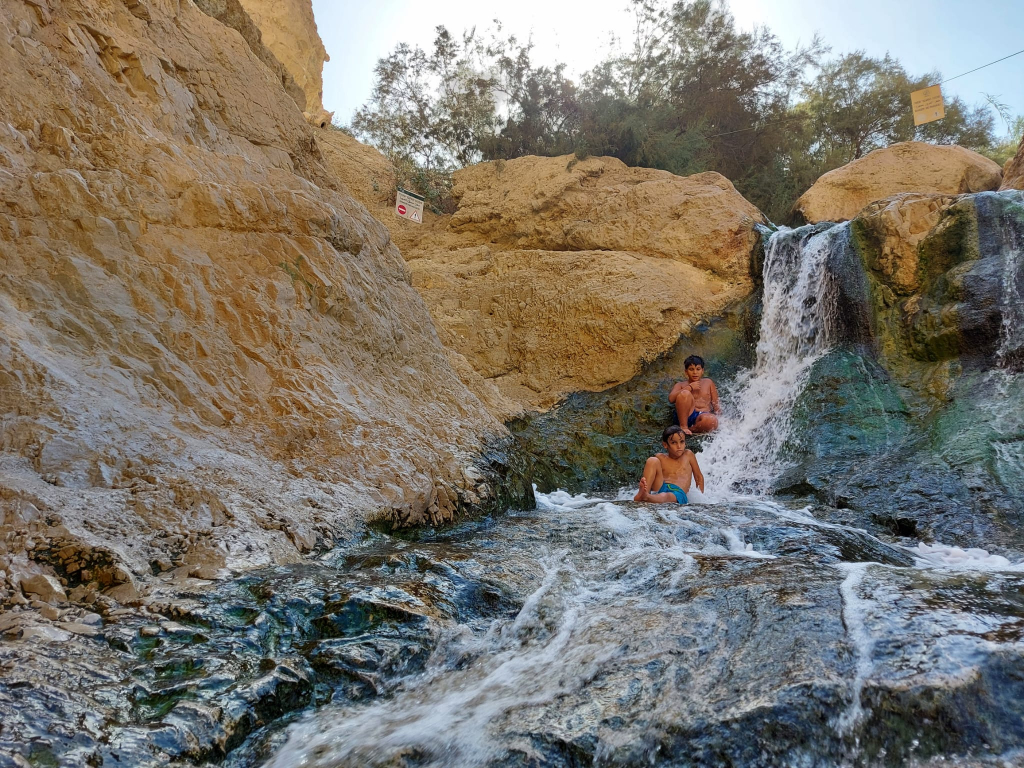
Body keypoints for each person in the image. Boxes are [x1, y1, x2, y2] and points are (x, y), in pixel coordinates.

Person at [634, 425, 705, 504]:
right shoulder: (660, 457)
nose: (679, 446)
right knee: (652, 460)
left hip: (678, 492)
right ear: (665, 445)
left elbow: (698, 477)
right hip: (661, 487)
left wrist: (700, 498)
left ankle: (647, 497)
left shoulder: (688, 455)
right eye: (674, 443)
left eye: (682, 442)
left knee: (666, 496)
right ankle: (644, 493)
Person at [669, 354, 720, 435]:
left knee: (712, 421)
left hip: (703, 417)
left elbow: (716, 404)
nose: (695, 372)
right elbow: (671, 399)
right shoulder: (681, 385)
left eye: (698, 369)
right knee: (685, 393)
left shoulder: (708, 382)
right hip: (686, 416)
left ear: (702, 371)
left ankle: (691, 430)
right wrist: (689, 387)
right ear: (686, 372)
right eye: (691, 369)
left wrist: (722, 419)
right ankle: (683, 427)